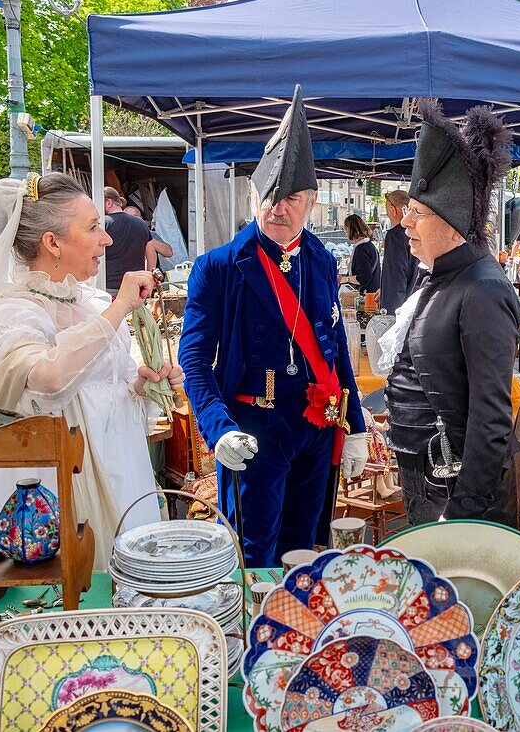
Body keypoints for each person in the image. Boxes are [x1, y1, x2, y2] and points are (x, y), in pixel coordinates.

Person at [178, 86, 369, 566]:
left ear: (311, 200)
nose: (278, 208)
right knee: (252, 555)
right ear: (252, 194)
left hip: (316, 425)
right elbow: (195, 360)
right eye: (269, 196)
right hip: (252, 428)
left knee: (305, 551)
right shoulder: (218, 267)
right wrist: (217, 428)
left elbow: (335, 348)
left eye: (291, 198)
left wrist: (358, 428)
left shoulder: (323, 261)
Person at [0, 173, 184, 569]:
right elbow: (49, 376)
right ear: (52, 242)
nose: (106, 239)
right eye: (93, 227)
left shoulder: (90, 303)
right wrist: (120, 308)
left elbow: (96, 389)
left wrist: (140, 385)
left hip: (119, 469)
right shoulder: (11, 311)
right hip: (61, 488)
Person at [383, 100, 520, 526]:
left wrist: (463, 511)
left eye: (417, 213)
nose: (405, 222)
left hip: (454, 487)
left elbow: (490, 417)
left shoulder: (483, 289)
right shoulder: (442, 275)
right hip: (428, 477)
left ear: (453, 223)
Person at [103, 187, 155, 294]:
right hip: (135, 287)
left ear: (108, 203)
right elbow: (151, 255)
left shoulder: (103, 224)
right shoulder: (141, 224)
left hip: (109, 288)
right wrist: (149, 281)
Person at [379, 189, 420, 314]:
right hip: (417, 305)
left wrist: (392, 317)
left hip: (401, 312)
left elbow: (395, 281)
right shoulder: (419, 233)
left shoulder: (395, 236)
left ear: (392, 209)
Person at [345, 214, 380, 295]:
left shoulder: (361, 249)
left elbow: (363, 278)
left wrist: (346, 279)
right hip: (372, 292)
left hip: (366, 296)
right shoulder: (368, 245)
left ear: (349, 229)